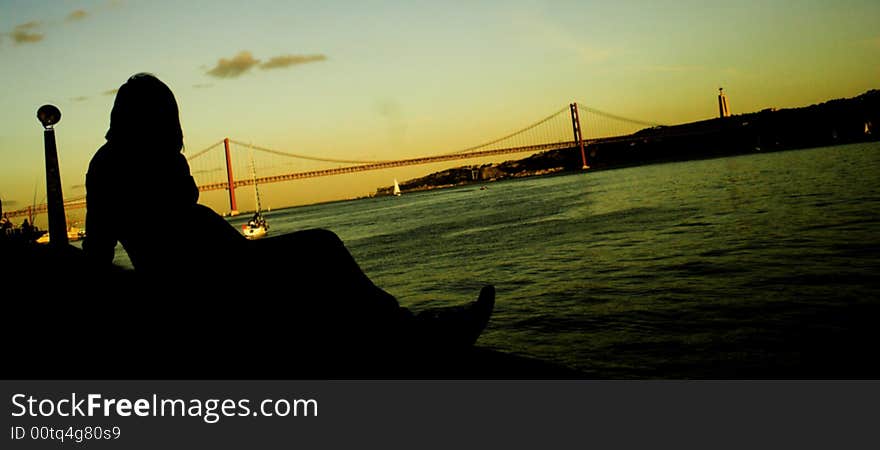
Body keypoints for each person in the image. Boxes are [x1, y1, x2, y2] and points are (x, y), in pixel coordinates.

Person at [82, 73, 494, 362]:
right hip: (209, 275)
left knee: (318, 257)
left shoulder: (121, 161)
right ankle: (416, 335)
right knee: (321, 247)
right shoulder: (124, 162)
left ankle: (410, 332)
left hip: (216, 265)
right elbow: (103, 246)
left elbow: (100, 245)